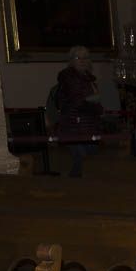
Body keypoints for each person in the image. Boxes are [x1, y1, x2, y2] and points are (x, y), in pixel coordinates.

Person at [55, 45, 103, 176]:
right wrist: (93, 101)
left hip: (89, 124)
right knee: (80, 160)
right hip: (73, 125)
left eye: (85, 57)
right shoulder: (67, 77)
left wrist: (95, 104)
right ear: (71, 60)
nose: (82, 60)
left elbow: (96, 103)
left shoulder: (90, 78)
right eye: (78, 57)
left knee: (91, 160)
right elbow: (76, 100)